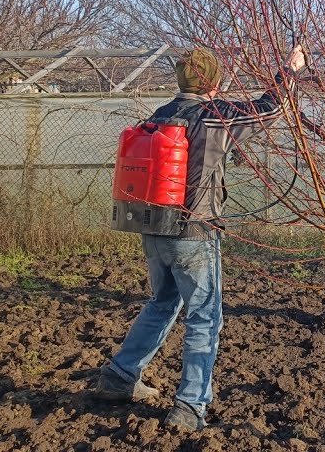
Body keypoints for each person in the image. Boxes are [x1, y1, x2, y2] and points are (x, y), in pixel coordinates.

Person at [93, 45, 305, 431]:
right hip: (195, 231)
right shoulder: (213, 116)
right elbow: (269, 109)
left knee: (162, 303)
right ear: (214, 82)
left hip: (153, 230)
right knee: (205, 319)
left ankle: (119, 377)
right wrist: (288, 71)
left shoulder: (160, 116)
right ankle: (190, 407)